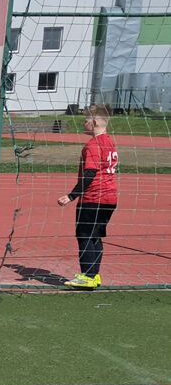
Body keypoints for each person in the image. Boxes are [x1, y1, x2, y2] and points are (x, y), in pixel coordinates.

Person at [57, 105, 118, 290]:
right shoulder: (110, 141)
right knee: (95, 236)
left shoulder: (93, 144)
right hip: (110, 198)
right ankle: (94, 274)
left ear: (95, 122)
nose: (83, 123)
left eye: (86, 120)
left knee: (84, 235)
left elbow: (90, 172)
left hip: (93, 197)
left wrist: (71, 195)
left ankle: (88, 276)